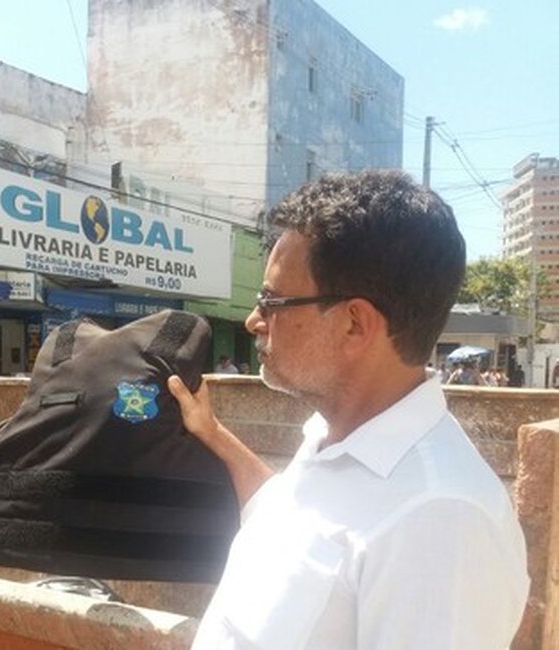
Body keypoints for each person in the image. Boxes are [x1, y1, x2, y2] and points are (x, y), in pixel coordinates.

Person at [167, 170, 529, 649]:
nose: (255, 320)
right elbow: (290, 521)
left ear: (355, 324)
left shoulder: (440, 520)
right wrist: (212, 433)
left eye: (271, 300)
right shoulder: (335, 436)